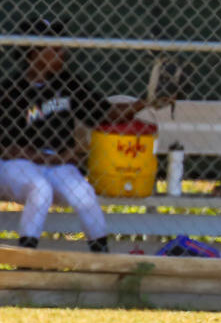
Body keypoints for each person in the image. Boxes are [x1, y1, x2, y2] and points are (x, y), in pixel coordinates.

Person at [0, 17, 165, 252]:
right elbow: (6, 149)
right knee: (40, 188)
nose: (63, 54)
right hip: (17, 166)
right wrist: (48, 157)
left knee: (84, 193)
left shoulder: (68, 83)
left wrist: (147, 102)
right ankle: (27, 257)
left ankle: (101, 256)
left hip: (58, 165)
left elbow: (106, 114)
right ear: (34, 53)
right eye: (55, 49)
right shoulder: (10, 91)